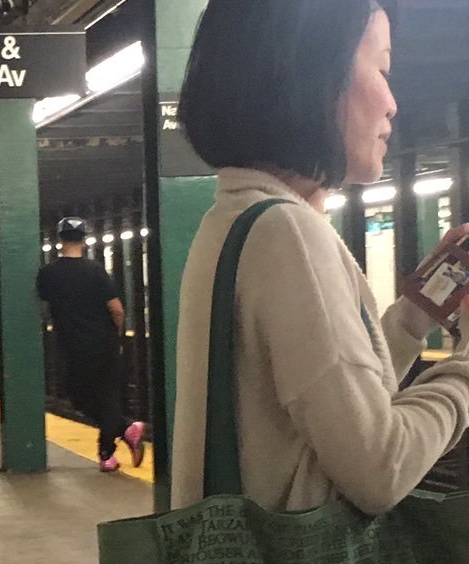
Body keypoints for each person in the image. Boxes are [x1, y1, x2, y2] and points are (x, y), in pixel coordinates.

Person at [174, 5, 469, 515]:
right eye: (382, 69)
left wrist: (413, 316)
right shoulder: (289, 233)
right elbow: (381, 468)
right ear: (313, 74)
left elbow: (331, 399)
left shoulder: (234, 218)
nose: (393, 104)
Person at [36, 216, 146, 471]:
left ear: (60, 239)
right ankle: (123, 431)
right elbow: (117, 309)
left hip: (72, 346)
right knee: (107, 395)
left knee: (77, 397)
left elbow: (45, 304)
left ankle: (108, 451)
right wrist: (116, 334)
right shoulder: (95, 271)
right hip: (104, 343)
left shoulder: (48, 274)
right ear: (84, 240)